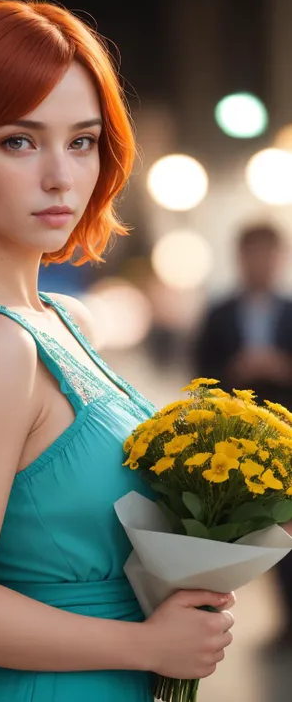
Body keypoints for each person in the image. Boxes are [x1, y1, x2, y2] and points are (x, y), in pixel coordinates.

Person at [0, 0, 235, 701]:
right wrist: (147, 642)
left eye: (82, 140)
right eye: (19, 140)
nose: (61, 177)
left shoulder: (59, 318)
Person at [194, 221, 292, 651]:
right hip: (240, 442)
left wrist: (279, 368)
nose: (260, 262)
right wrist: (236, 372)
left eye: (268, 254)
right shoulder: (218, 313)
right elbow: (200, 375)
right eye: (252, 253)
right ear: (240, 257)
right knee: (253, 533)